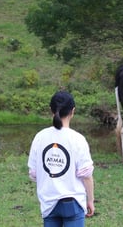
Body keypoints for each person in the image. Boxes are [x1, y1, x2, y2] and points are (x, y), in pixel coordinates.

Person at [27, 91, 95, 227]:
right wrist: (91, 200)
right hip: (73, 203)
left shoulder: (39, 137)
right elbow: (86, 175)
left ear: (51, 110)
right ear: (73, 111)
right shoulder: (78, 139)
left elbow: (34, 174)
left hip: (48, 203)